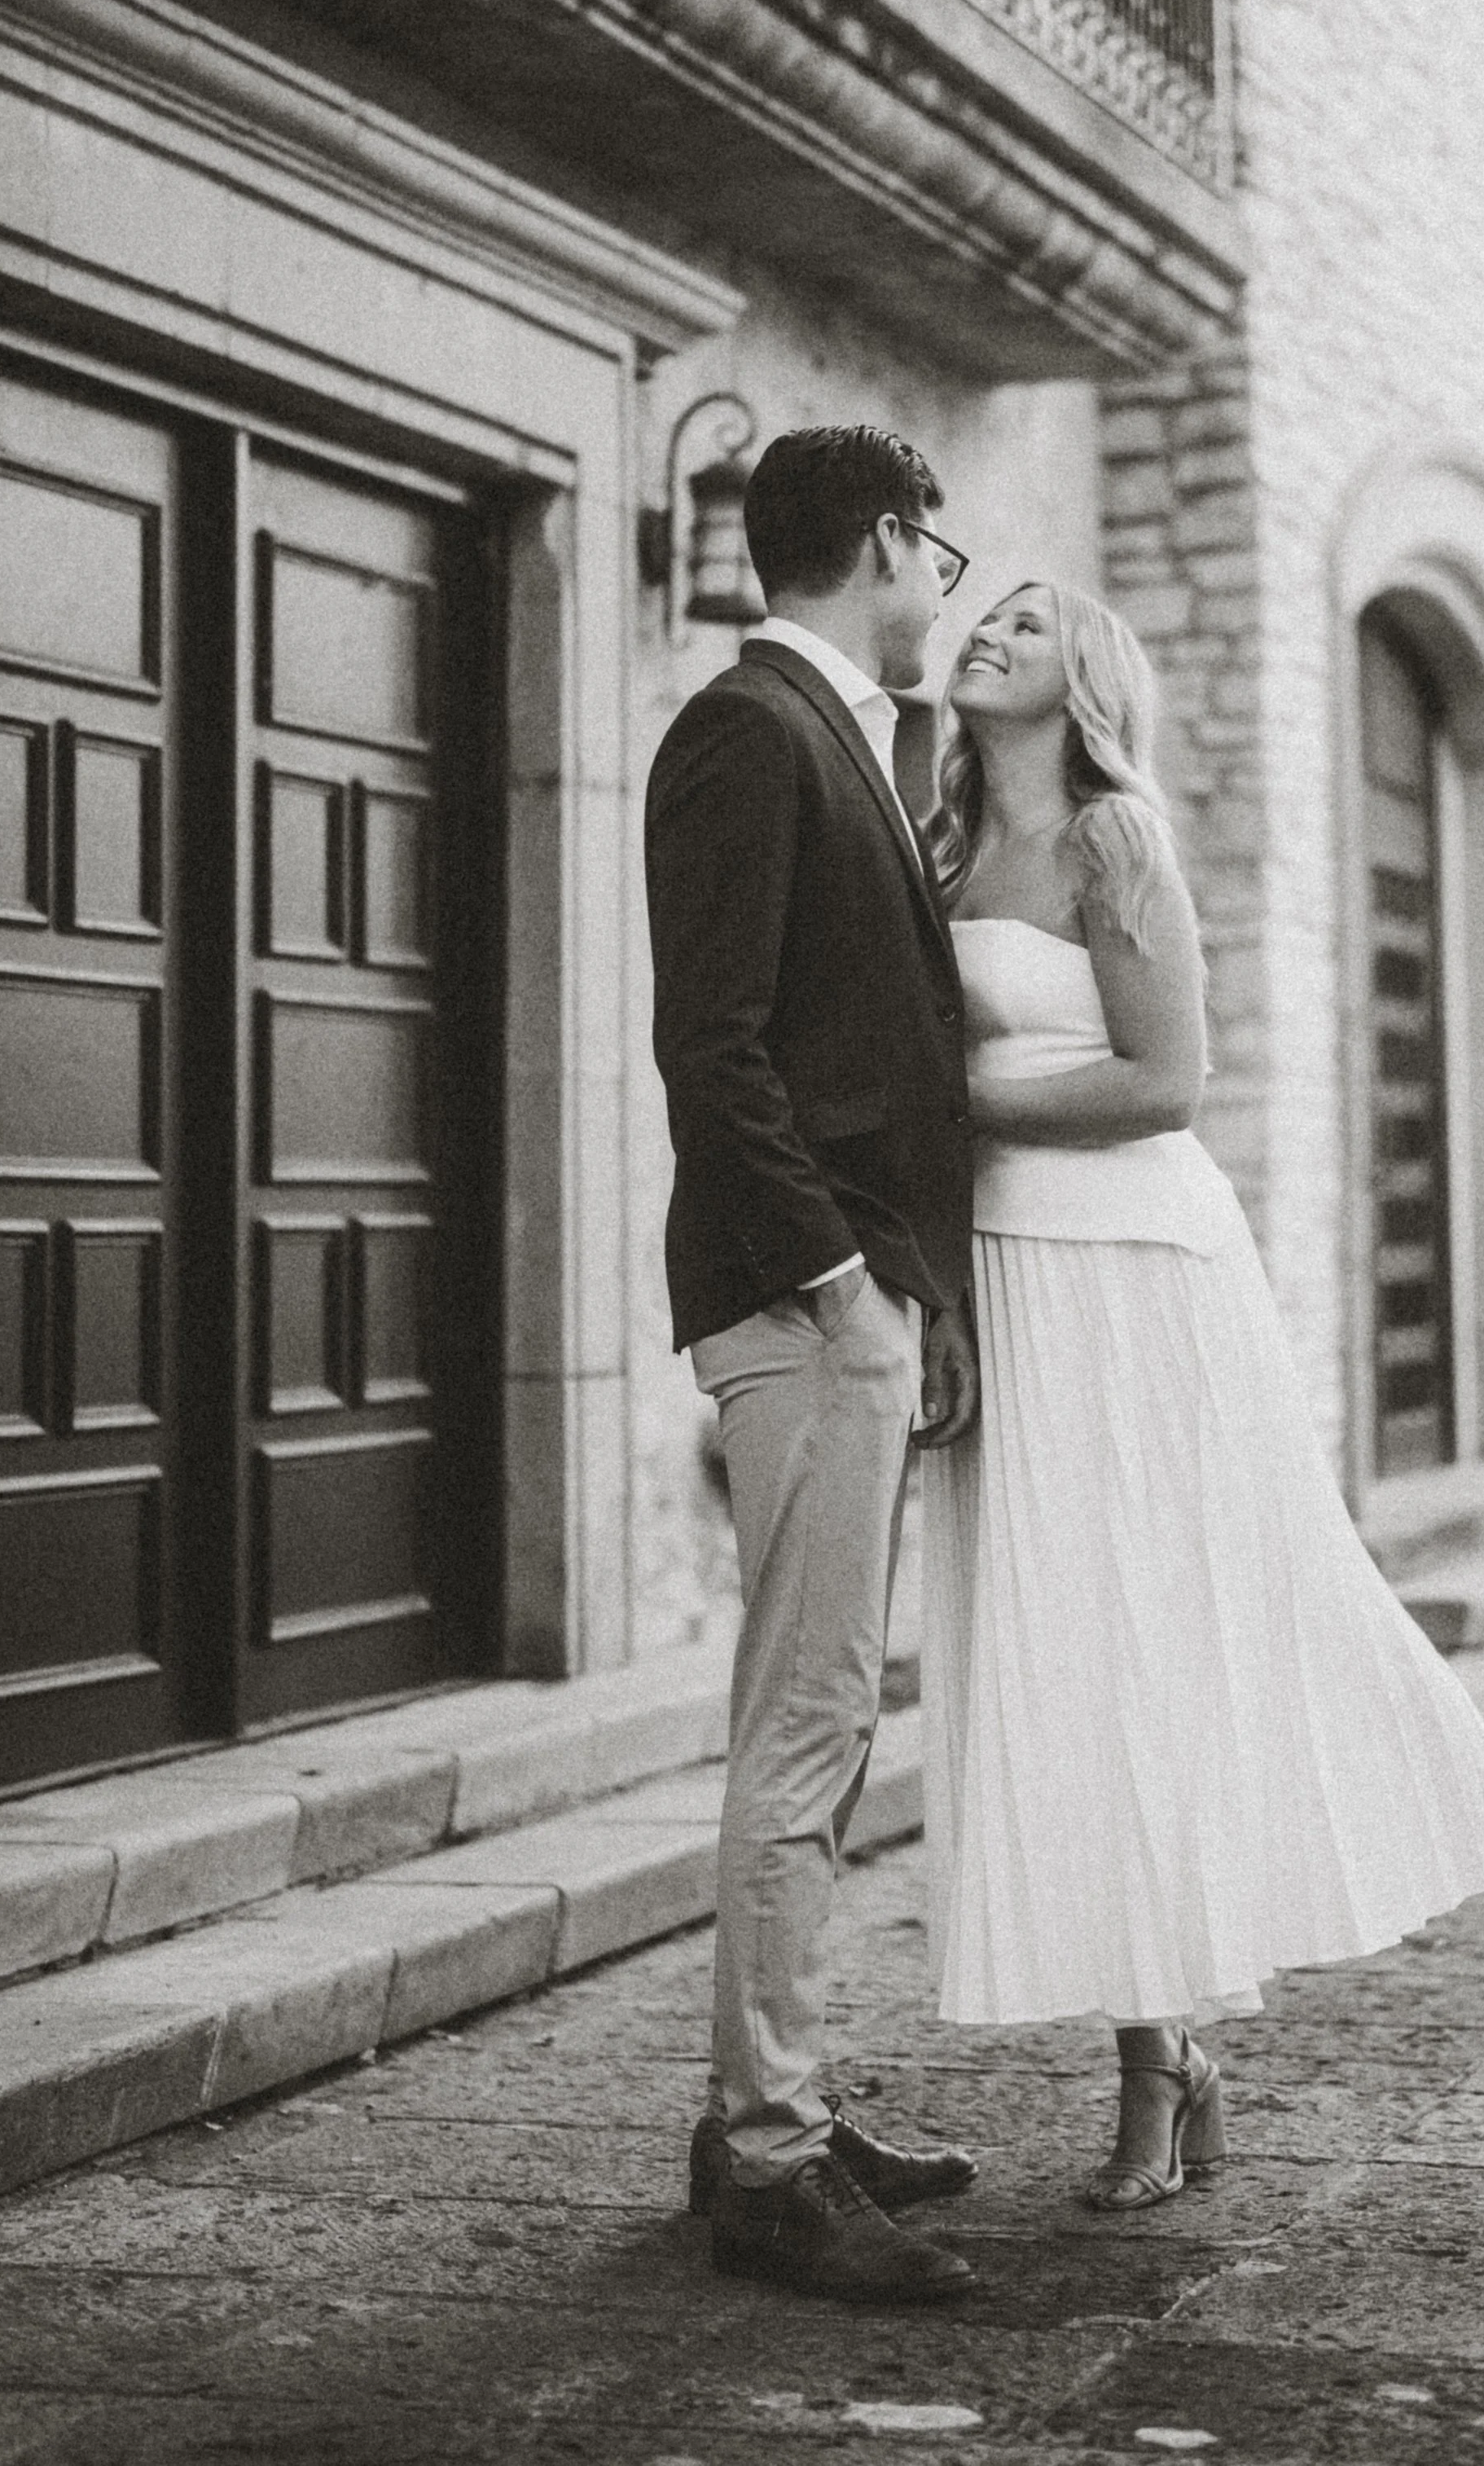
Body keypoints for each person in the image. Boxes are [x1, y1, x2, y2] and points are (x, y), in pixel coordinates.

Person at [920, 580, 1484, 2210]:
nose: (989, 628)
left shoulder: (1113, 842)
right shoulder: (940, 845)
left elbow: (1166, 1079)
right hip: (1008, 1280)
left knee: (1279, 1598)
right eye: (986, 612)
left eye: (1027, 623)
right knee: (1075, 1666)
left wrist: (952, 1091)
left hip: (1146, 1273)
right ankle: (1158, 2060)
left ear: (1082, 678)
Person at [644, 425, 985, 2304]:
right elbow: (716, 1047)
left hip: (854, 1300)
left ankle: (766, 2103)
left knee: (831, 1722)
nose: (945, 582)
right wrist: (850, 1287)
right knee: (805, 1722)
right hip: (801, 1306)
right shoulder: (749, 728)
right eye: (937, 550)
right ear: (883, 540)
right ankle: (768, 2165)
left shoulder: (841, 732)